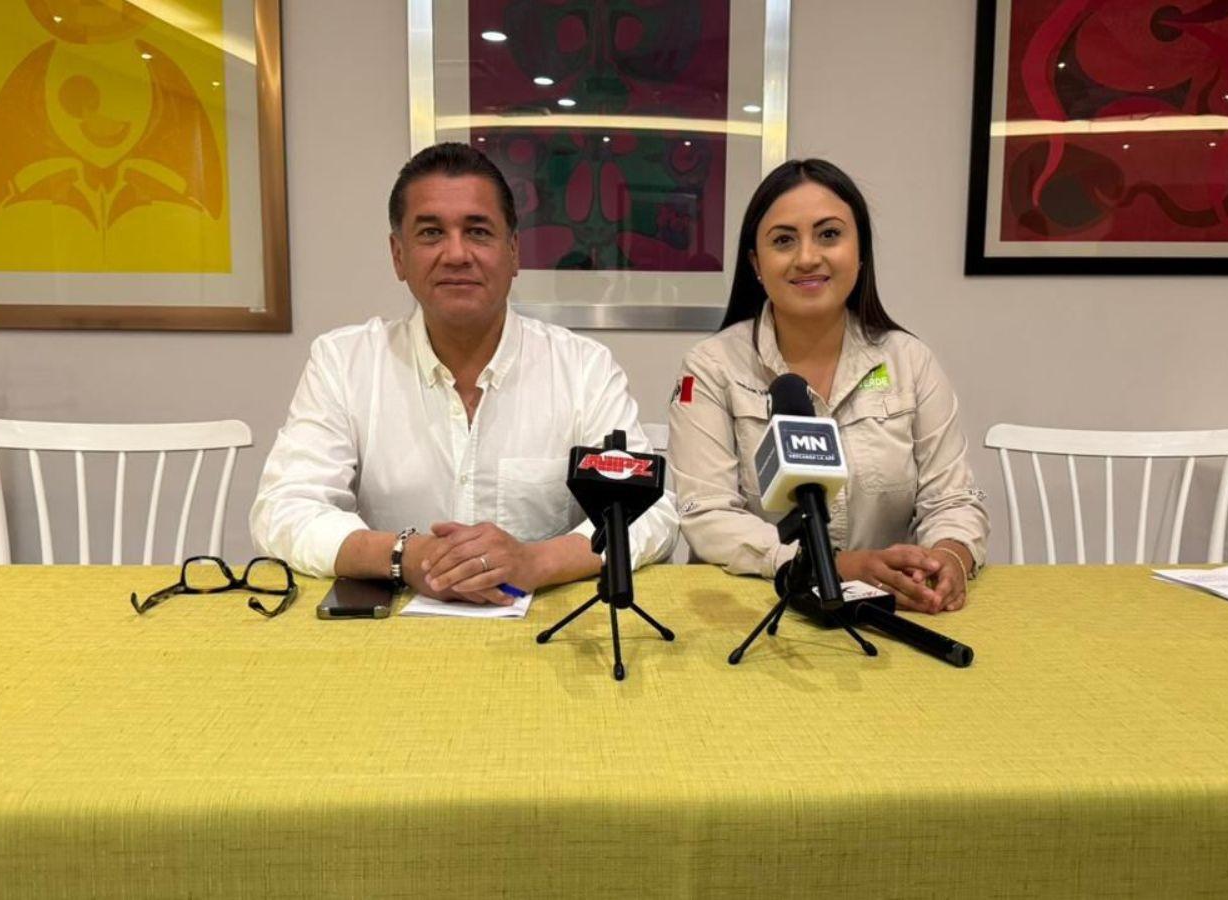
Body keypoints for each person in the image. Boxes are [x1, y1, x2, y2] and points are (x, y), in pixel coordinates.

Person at [252, 143, 676, 602]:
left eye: (478, 231)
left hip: (542, 625)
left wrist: (536, 562)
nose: (456, 254)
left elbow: (650, 513)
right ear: (398, 255)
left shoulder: (582, 368)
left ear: (513, 252)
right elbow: (284, 509)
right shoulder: (344, 362)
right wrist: (405, 555)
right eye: (431, 233)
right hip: (392, 628)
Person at [667, 159, 987, 613]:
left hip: (888, 608)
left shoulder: (909, 361)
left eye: (829, 234)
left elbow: (953, 498)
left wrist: (949, 556)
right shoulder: (711, 368)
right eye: (783, 240)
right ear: (756, 263)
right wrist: (832, 566)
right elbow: (707, 515)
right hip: (752, 611)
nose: (807, 257)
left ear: (860, 252)